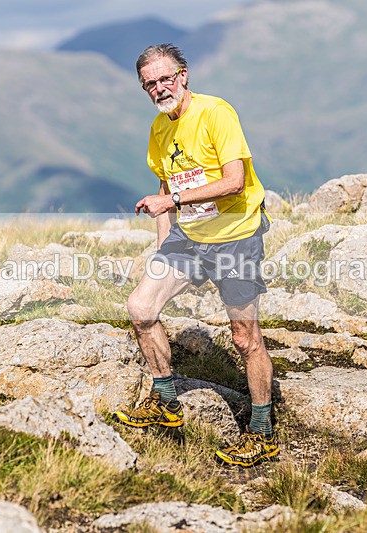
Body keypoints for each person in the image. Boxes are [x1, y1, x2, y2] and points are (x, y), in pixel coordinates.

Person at [113, 43, 278, 468]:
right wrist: (162, 248)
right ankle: (165, 400)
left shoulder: (215, 113)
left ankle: (262, 433)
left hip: (235, 237)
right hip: (187, 239)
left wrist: (172, 201)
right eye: (150, 84)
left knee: (244, 338)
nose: (159, 88)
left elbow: (234, 181)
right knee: (141, 307)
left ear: (183, 75)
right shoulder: (159, 129)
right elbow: (165, 186)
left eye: (166, 79)